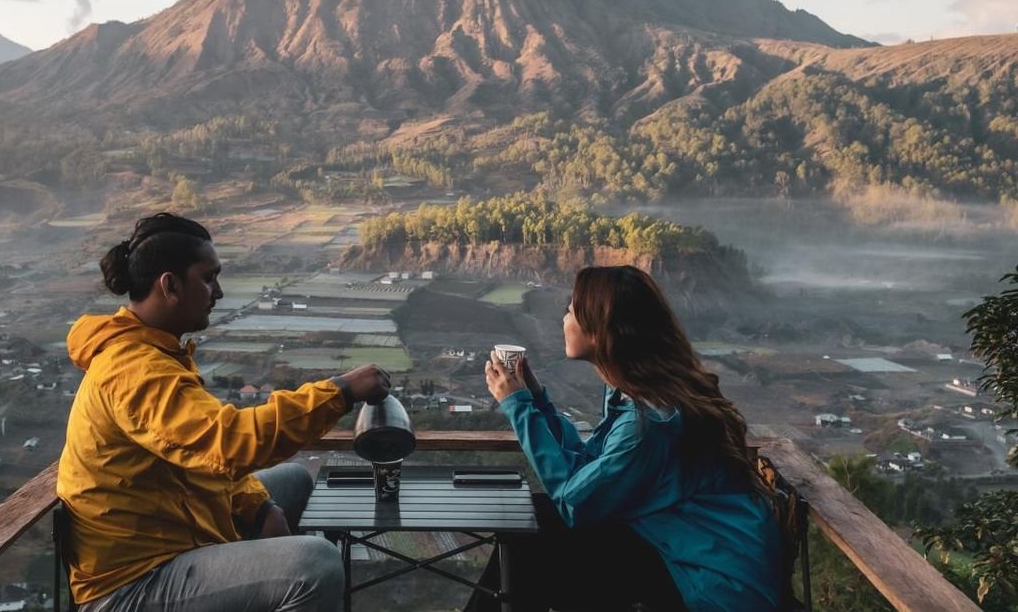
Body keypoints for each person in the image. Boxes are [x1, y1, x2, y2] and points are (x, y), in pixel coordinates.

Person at [57, 212, 391, 611]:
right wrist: (340, 392)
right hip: (132, 584)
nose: (217, 292)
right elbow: (225, 442)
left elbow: (197, 456)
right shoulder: (135, 370)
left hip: (174, 532)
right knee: (316, 565)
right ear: (171, 285)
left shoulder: (156, 352)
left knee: (294, 481)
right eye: (209, 278)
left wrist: (258, 506)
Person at [470, 265, 781, 612]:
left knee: (531, 541)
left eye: (572, 310)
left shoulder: (650, 424)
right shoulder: (642, 397)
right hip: (685, 556)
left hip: (716, 588)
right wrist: (537, 401)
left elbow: (576, 502)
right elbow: (589, 472)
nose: (564, 318)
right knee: (530, 523)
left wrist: (518, 406)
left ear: (602, 330)